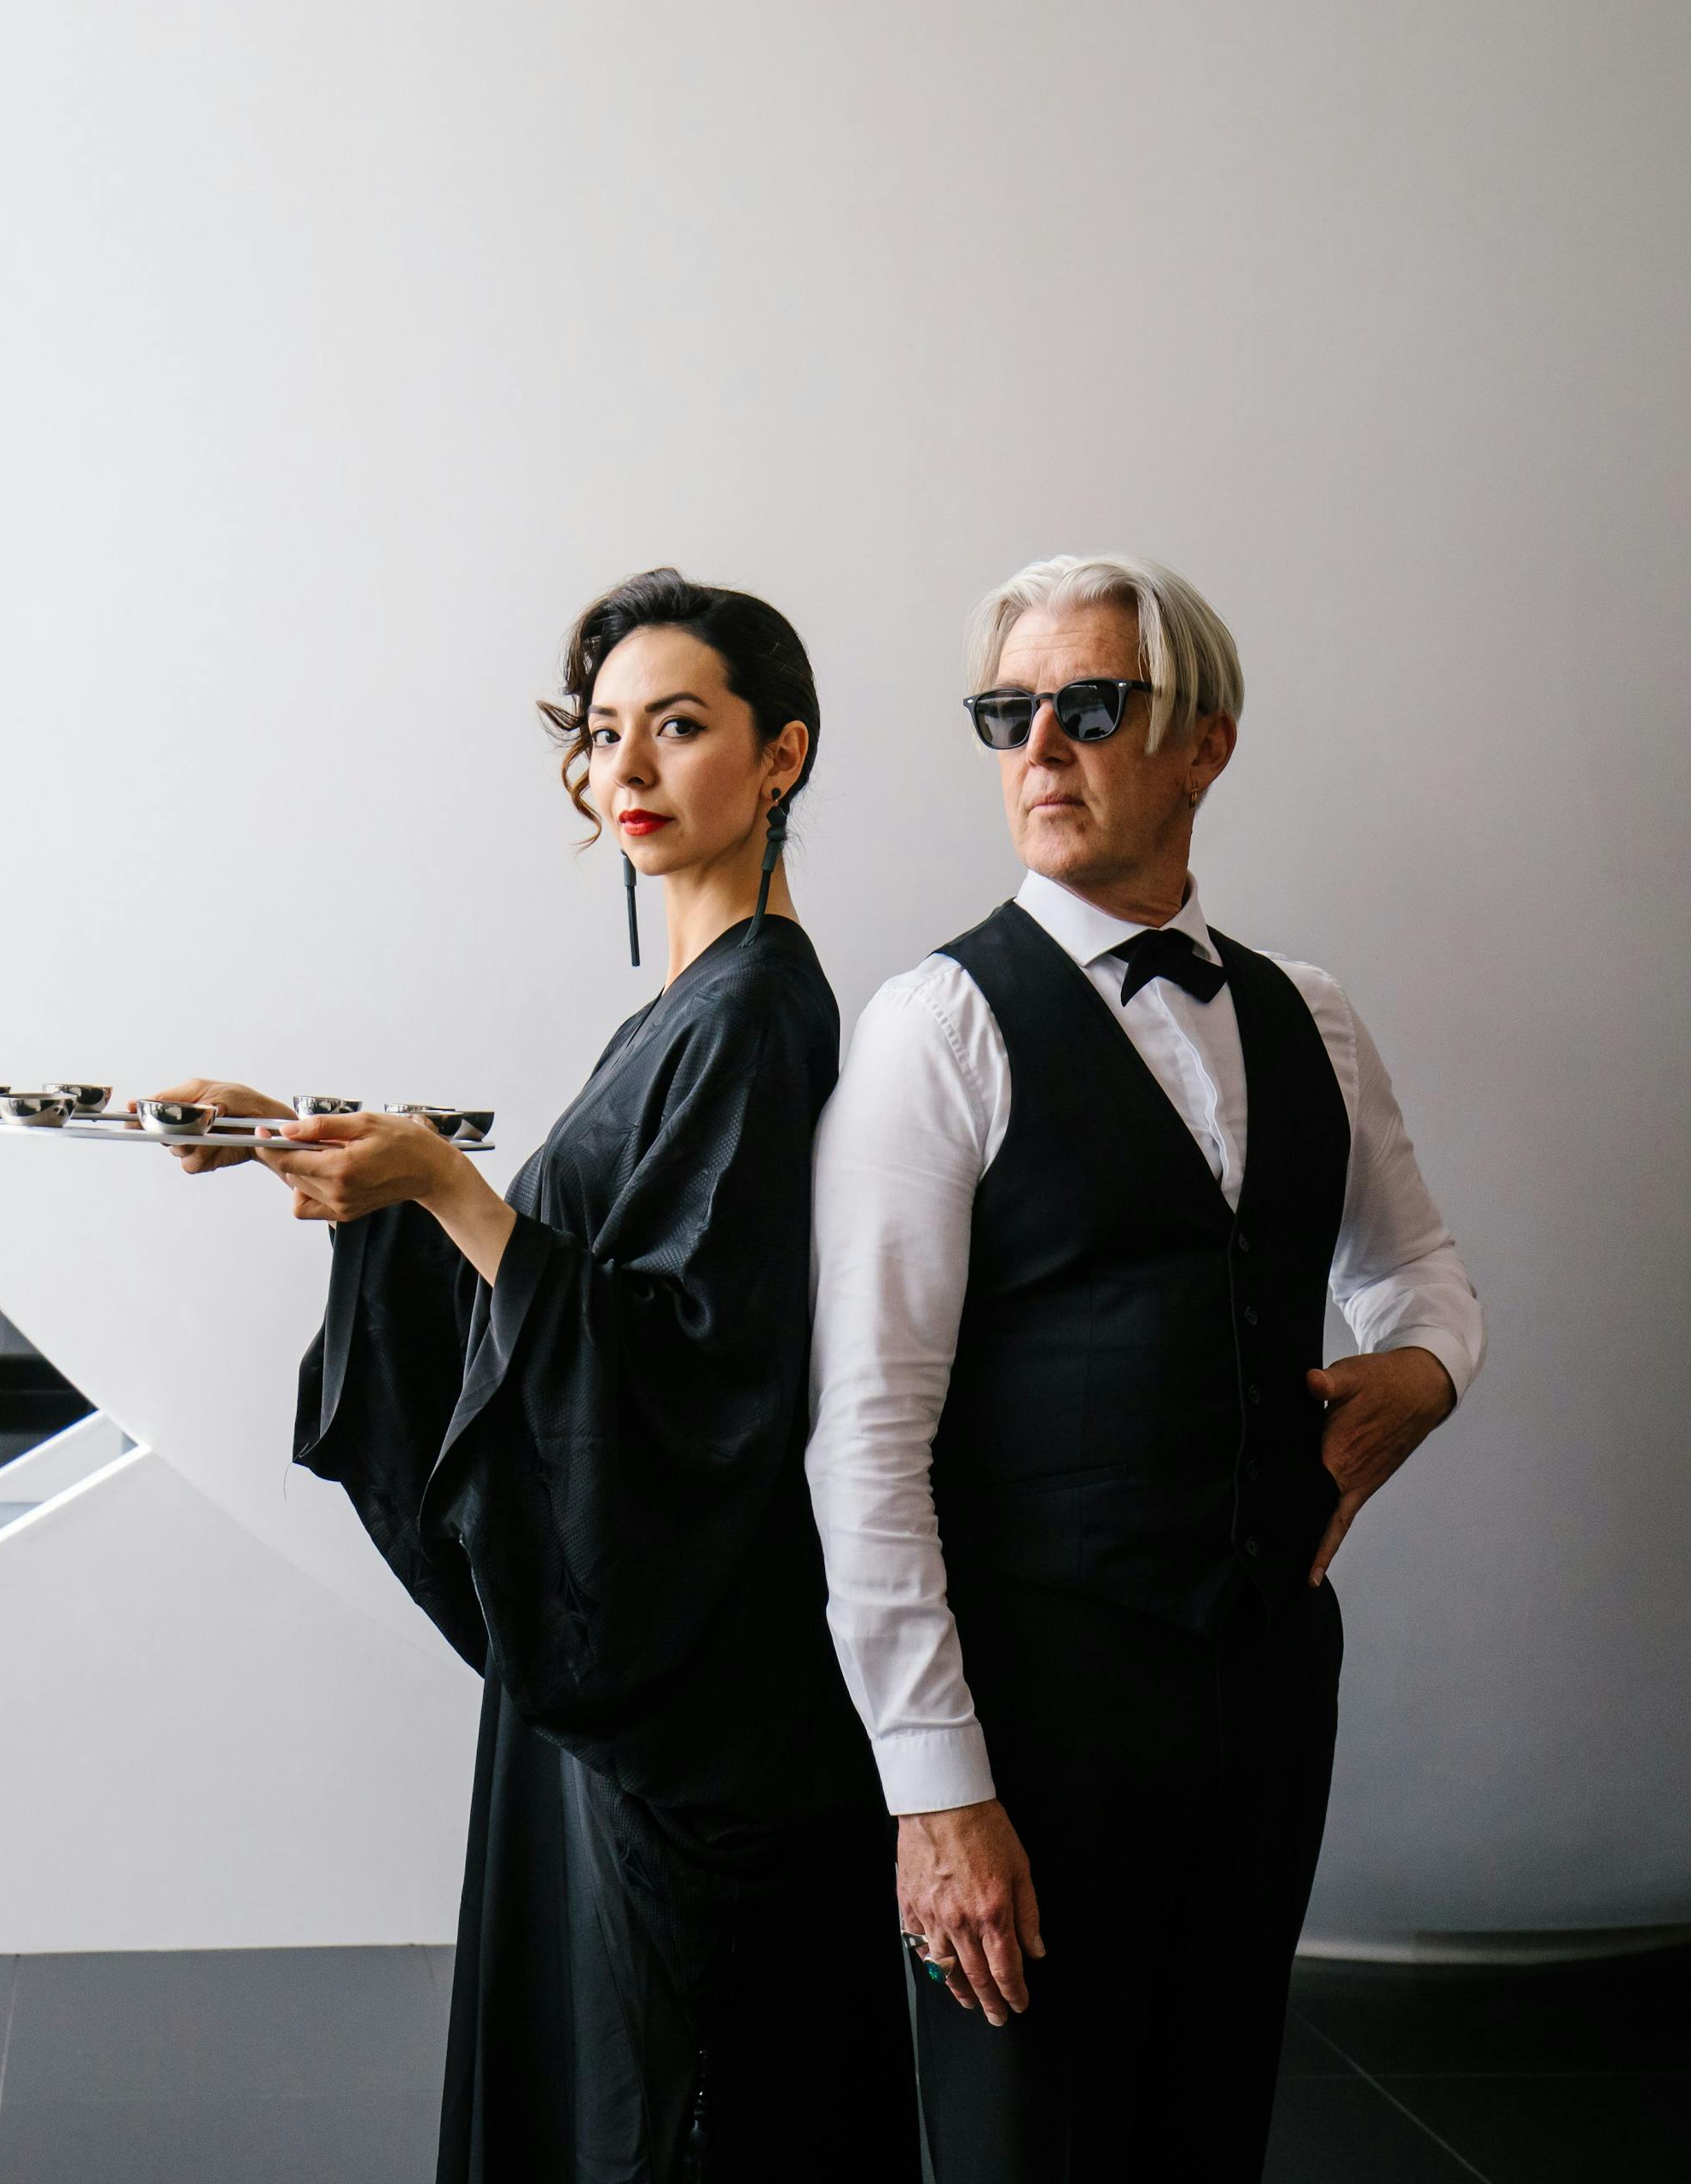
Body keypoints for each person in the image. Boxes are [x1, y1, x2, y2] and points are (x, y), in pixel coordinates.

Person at [157, 572, 913, 2181]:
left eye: (681, 728)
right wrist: (322, 1146)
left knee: (674, 2111)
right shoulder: (688, 1009)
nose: (627, 770)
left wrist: (444, 1184)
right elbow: (569, 1271)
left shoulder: (762, 1013)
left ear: (781, 760)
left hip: (699, 1708)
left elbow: (697, 1373)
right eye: (605, 735)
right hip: (627, 1686)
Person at [804, 555, 1484, 2179]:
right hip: (1035, 1713)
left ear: (1204, 744)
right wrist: (935, 1792)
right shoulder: (936, 1025)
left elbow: (1421, 1271)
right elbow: (866, 1440)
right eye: (1006, 713)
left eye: (1090, 706)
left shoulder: (1308, 1015)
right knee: (1028, 2147)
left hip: (1264, 1688)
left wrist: (1428, 1372)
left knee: (1206, 2129)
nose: (1039, 746)